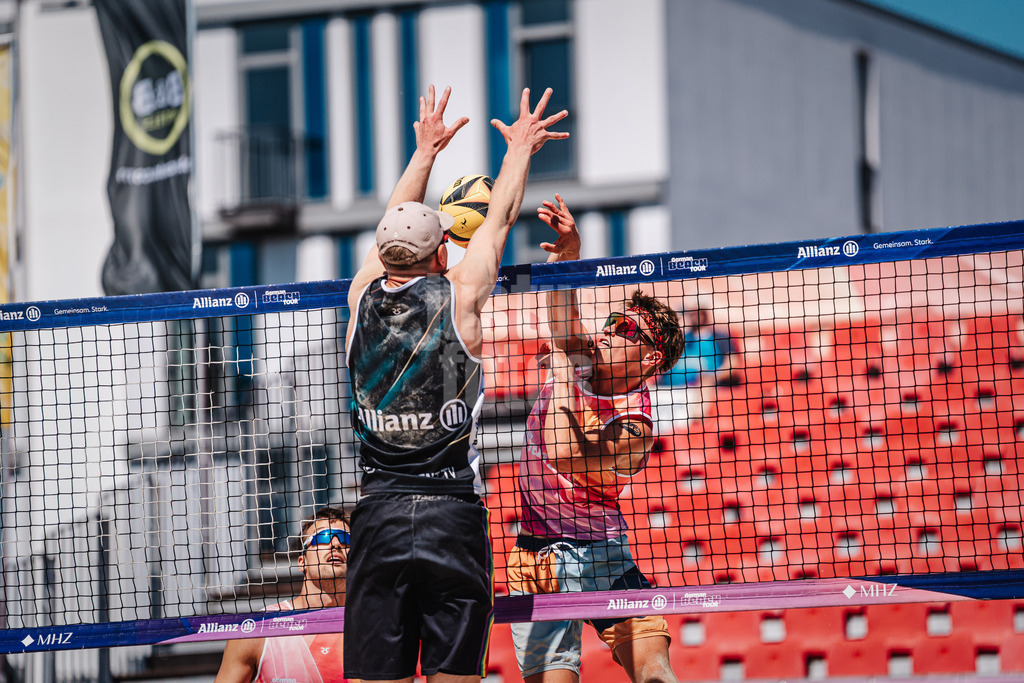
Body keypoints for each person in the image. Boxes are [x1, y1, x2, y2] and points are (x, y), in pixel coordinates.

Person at [344, 85, 569, 683]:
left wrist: (425, 153)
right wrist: (520, 146)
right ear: (441, 252)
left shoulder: (359, 294)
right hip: (452, 517)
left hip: (378, 513)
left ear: (384, 254)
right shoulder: (461, 295)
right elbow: (499, 219)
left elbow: (392, 230)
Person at [509, 195, 685, 683]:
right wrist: (568, 254)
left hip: (599, 554)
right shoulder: (584, 353)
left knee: (655, 671)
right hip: (534, 555)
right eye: (611, 322)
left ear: (650, 358)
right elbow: (561, 307)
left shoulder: (637, 426)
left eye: (625, 329)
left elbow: (567, 453)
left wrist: (564, 364)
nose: (608, 331)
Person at [215, 507, 350, 683]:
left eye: (346, 538)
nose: (335, 544)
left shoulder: (372, 628)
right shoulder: (258, 629)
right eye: (323, 537)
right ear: (302, 562)